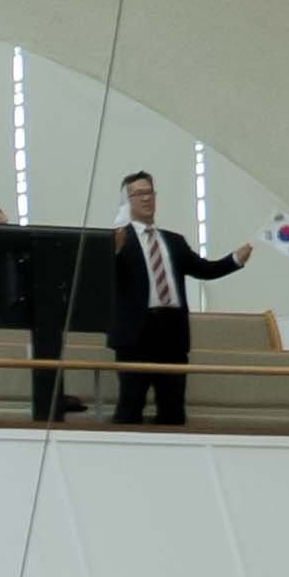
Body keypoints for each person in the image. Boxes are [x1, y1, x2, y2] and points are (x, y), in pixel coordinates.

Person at [100, 168, 248, 430]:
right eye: (139, 194)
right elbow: (99, 279)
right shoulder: (117, 240)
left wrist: (235, 260)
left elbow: (205, 269)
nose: (147, 198)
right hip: (135, 334)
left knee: (172, 408)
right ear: (126, 200)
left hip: (171, 333)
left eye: (150, 192)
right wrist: (113, 251)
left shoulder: (174, 241)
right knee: (130, 405)